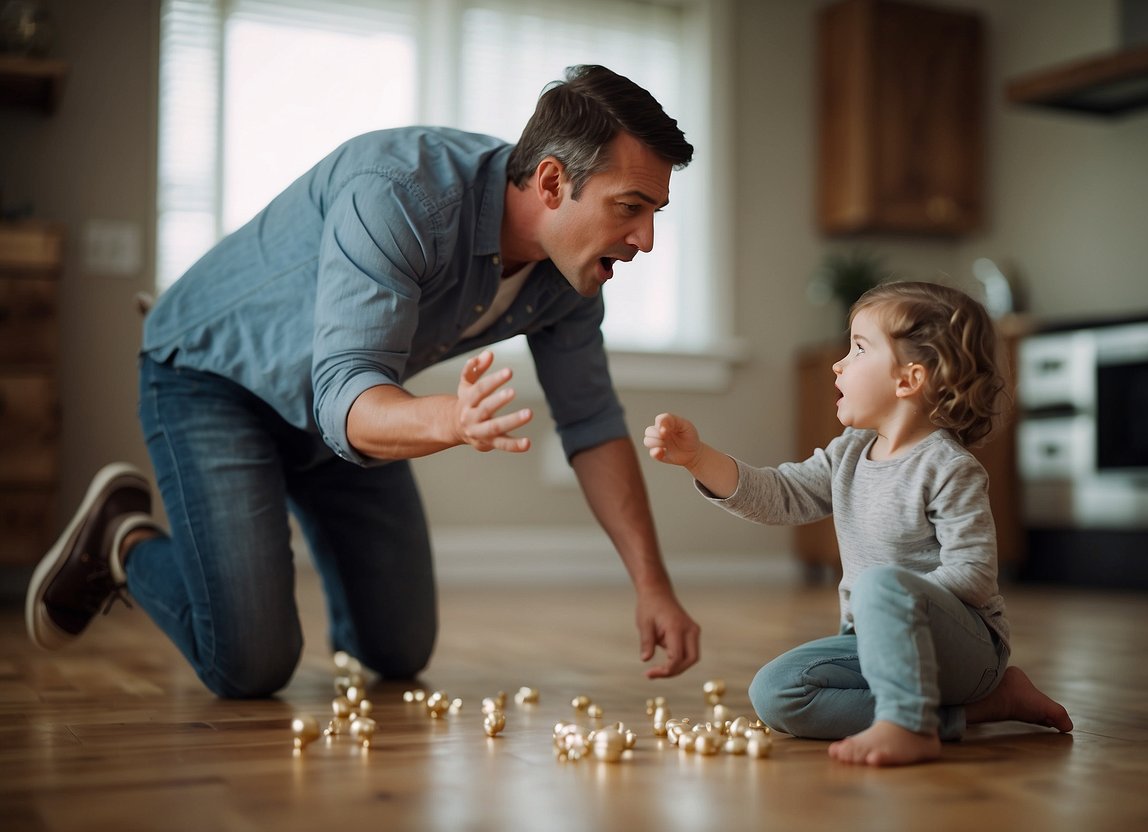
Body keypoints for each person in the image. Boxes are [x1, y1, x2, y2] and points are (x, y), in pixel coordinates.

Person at [26, 64, 702, 697]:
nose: (644, 239)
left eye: (655, 214)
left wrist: (653, 586)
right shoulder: (400, 192)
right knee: (249, 662)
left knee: (399, 651)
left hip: (344, 410)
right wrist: (450, 422)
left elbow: (591, 425)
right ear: (552, 183)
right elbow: (349, 393)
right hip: (216, 379)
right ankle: (123, 539)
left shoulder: (573, 279)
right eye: (629, 207)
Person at [644, 281, 1071, 766]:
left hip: (966, 652)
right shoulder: (847, 454)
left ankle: (910, 725)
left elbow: (974, 574)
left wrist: (888, 598)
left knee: (880, 586)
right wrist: (698, 458)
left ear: (908, 379)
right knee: (775, 693)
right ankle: (980, 711)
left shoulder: (949, 468)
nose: (838, 363)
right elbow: (780, 495)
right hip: (870, 643)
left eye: (859, 348)